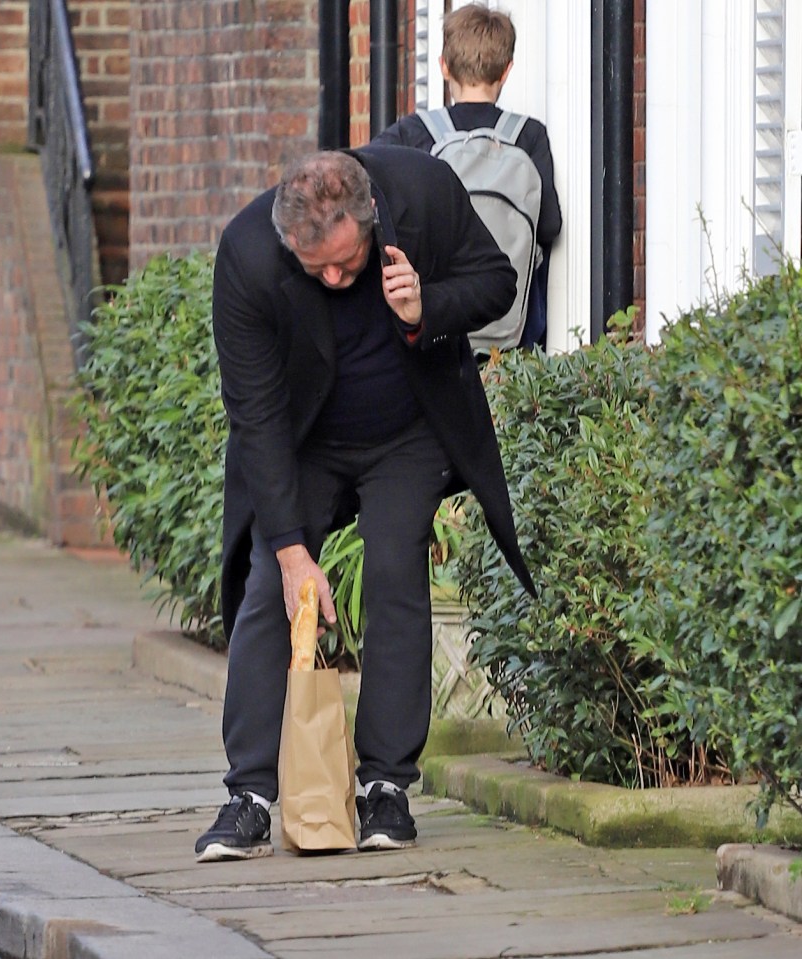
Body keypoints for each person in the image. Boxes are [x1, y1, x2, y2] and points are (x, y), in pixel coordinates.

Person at [195, 146, 536, 863]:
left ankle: (386, 786)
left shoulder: (420, 190)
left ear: (371, 216)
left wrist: (426, 305)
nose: (331, 278)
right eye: (313, 266)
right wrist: (293, 552)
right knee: (270, 584)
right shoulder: (249, 255)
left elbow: (497, 281)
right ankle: (249, 794)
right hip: (305, 440)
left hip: (409, 432)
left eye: (345, 264)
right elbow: (254, 415)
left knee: (392, 565)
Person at [373, 2, 562, 350]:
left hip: (433, 324)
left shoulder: (413, 134)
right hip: (510, 334)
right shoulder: (529, 135)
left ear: (444, 67)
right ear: (506, 71)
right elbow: (549, 225)